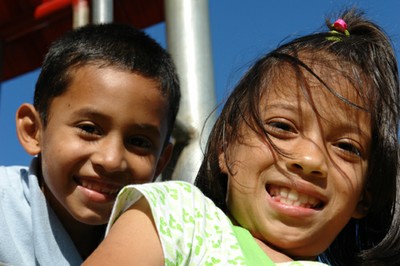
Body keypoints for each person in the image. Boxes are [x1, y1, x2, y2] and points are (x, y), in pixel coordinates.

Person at [83, 8, 400, 265]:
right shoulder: (182, 219)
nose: (309, 159)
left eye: (347, 147)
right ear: (224, 147)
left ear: (366, 194)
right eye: (282, 127)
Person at [0, 23, 180, 265]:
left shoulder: (166, 238)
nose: (111, 160)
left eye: (138, 142)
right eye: (89, 129)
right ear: (34, 131)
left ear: (161, 162)